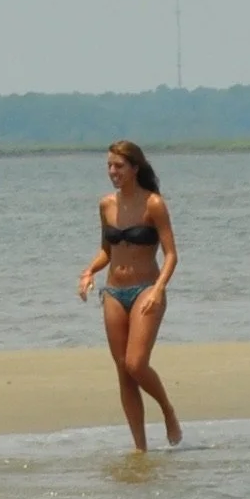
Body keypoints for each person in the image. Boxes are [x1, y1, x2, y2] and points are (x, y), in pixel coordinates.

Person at [75, 139, 182, 452]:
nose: (112, 172)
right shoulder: (106, 205)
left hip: (146, 290)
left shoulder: (154, 205)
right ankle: (140, 449)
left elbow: (172, 254)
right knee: (123, 371)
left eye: (119, 166)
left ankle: (167, 410)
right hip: (113, 292)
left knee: (136, 364)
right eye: (109, 166)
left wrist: (159, 288)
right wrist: (88, 271)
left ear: (135, 168)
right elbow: (107, 250)